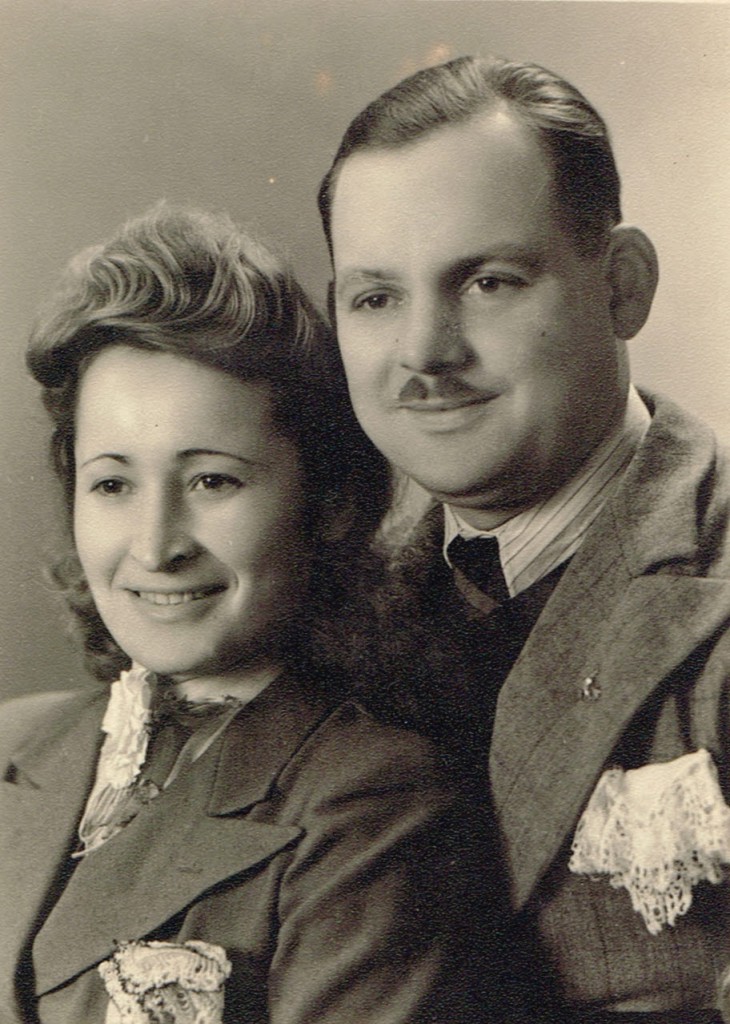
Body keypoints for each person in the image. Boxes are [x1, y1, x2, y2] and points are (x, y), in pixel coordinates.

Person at [0, 204, 507, 1024]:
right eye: (113, 484)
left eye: (212, 482)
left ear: (331, 502)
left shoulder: (371, 803)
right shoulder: (12, 745)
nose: (156, 545)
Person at [318, 55, 730, 1020]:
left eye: (488, 282)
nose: (424, 351)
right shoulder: (335, 614)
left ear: (623, 285)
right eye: (376, 297)